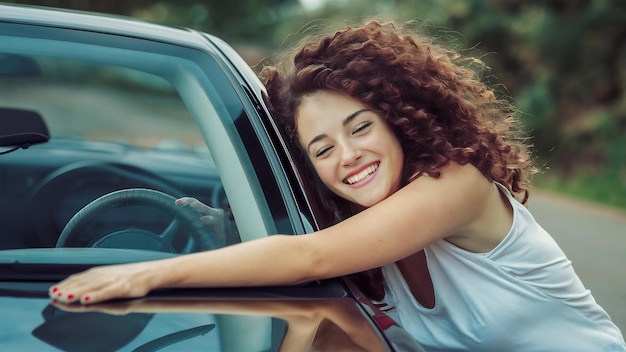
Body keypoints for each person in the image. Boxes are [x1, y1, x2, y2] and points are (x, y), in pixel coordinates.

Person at [50, 20, 625, 350]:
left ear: (399, 119)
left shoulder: (458, 185)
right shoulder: (358, 241)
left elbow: (308, 255)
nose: (349, 157)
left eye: (361, 127)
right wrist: (228, 232)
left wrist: (145, 272)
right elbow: (314, 274)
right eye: (322, 149)